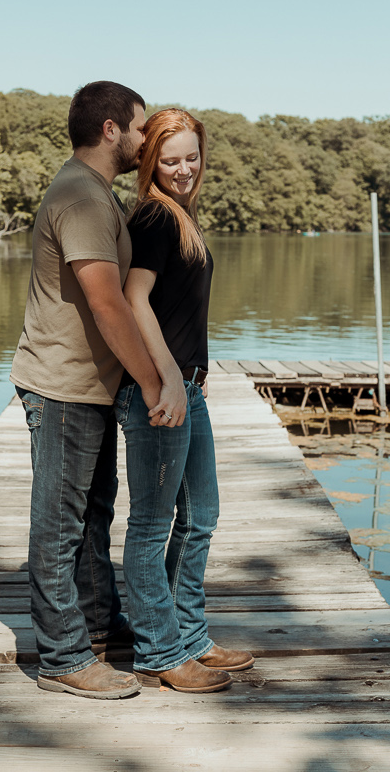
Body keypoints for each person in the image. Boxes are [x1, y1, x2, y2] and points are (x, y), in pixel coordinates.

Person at [9, 80, 179, 699]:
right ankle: (62, 658)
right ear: (111, 129)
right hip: (62, 387)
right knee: (60, 525)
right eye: (139, 127)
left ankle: (100, 631)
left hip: (89, 388)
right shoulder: (80, 197)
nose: (144, 140)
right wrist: (156, 382)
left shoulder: (94, 194)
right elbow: (107, 304)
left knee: (93, 518)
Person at [117, 108, 253, 691]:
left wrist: (192, 370)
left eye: (191, 156)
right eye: (169, 159)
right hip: (160, 393)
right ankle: (158, 652)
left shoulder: (181, 216)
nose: (183, 168)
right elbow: (134, 296)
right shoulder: (153, 216)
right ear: (150, 162)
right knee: (152, 525)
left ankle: (189, 637)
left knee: (201, 516)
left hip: (186, 387)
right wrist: (170, 376)